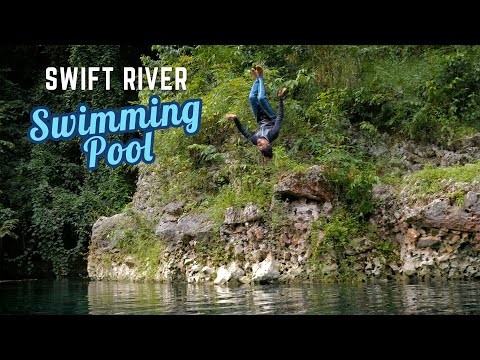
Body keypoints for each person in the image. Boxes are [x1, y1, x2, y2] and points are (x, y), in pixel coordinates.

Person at [227, 65, 287, 160]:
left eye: (259, 147)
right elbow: (280, 117)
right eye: (262, 145)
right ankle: (260, 76)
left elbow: (243, 131)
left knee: (251, 98)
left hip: (259, 117)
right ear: (268, 143)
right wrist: (280, 99)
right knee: (261, 98)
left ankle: (256, 79)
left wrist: (235, 119)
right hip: (271, 117)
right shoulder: (273, 134)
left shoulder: (254, 140)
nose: (259, 145)